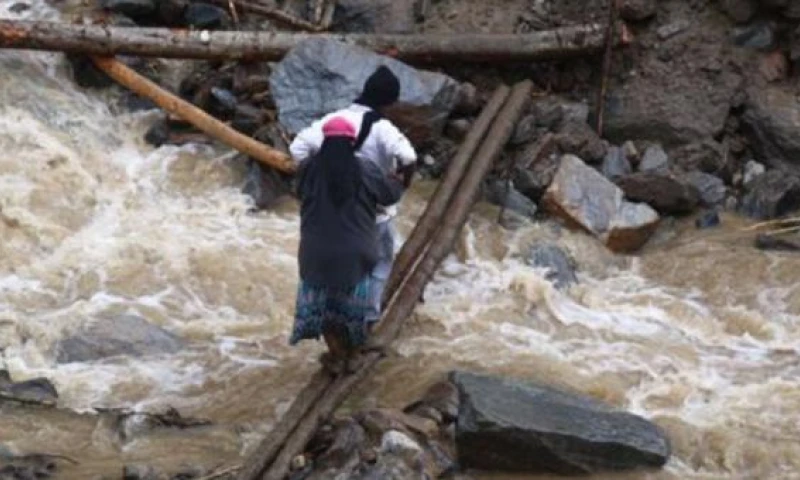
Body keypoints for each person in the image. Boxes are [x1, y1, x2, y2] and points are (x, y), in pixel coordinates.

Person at [290, 65, 418, 328]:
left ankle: (332, 318)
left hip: (333, 215)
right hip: (374, 212)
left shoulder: (334, 120)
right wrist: (402, 182)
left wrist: (320, 175)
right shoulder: (384, 129)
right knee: (378, 265)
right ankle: (368, 317)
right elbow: (409, 157)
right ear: (389, 101)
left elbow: (297, 148)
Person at [290, 116, 405, 375]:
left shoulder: (308, 168)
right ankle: (353, 356)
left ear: (324, 142)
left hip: (315, 252)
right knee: (352, 306)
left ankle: (336, 354)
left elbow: (298, 193)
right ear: (352, 142)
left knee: (324, 306)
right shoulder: (366, 169)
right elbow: (389, 195)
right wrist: (396, 179)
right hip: (357, 250)